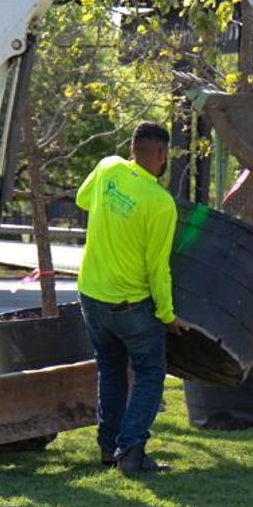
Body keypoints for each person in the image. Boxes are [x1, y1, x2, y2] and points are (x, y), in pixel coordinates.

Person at [76, 121, 186, 474]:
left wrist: (113, 213)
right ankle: (132, 451)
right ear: (161, 154)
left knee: (110, 370)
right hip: (131, 305)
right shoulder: (159, 203)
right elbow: (158, 269)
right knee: (150, 372)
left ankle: (109, 448)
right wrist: (168, 316)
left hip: (91, 294)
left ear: (131, 147)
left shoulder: (108, 167)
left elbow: (82, 199)